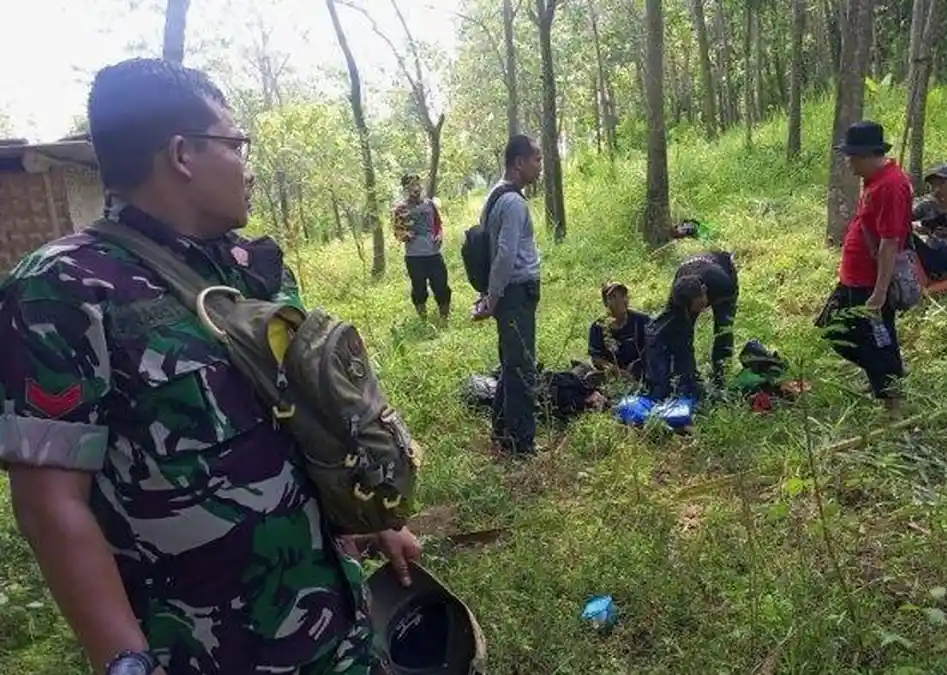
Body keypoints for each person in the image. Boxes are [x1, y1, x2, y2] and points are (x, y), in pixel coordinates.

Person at [0, 58, 420, 675]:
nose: (248, 166)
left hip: (333, 620)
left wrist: (377, 522)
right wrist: (123, 659)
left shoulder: (253, 268)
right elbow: (50, 504)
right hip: (205, 650)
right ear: (182, 154)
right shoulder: (62, 289)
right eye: (235, 144)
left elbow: (314, 415)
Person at [817, 121, 912, 413]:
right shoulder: (874, 181)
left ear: (869, 154)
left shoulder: (891, 186)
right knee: (833, 329)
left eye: (853, 156)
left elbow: (890, 242)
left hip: (870, 284)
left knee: (879, 342)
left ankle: (892, 402)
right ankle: (882, 374)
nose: (849, 162)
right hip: (853, 279)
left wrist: (880, 292)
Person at [474, 135, 543, 456]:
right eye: (536, 159)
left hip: (509, 292)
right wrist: (493, 298)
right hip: (516, 293)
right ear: (519, 162)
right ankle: (521, 444)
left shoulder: (495, 195)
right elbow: (504, 254)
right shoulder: (513, 202)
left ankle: (503, 432)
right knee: (521, 368)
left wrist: (491, 295)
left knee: (510, 363)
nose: (539, 166)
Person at [644, 250, 738, 400]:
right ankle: (688, 378)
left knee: (723, 330)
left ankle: (721, 376)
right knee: (680, 329)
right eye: (694, 308)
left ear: (704, 291)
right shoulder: (678, 295)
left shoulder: (722, 283)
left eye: (700, 305)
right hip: (691, 272)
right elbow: (668, 329)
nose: (700, 311)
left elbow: (725, 318)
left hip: (722, 272)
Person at [393, 173, 451, 321]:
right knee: (419, 289)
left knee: (441, 286)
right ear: (405, 189)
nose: (416, 188)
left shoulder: (429, 204)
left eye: (417, 184)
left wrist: (439, 235)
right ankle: (423, 319)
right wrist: (406, 235)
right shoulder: (400, 209)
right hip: (414, 257)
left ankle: (444, 318)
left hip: (433, 253)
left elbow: (438, 224)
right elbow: (397, 232)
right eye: (411, 185)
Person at [588, 282, 651, 379]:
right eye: (613, 297)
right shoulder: (598, 326)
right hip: (613, 373)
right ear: (605, 302)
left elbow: (653, 348)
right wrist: (615, 370)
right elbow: (596, 357)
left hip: (640, 369)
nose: (620, 300)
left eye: (623, 296)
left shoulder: (642, 320)